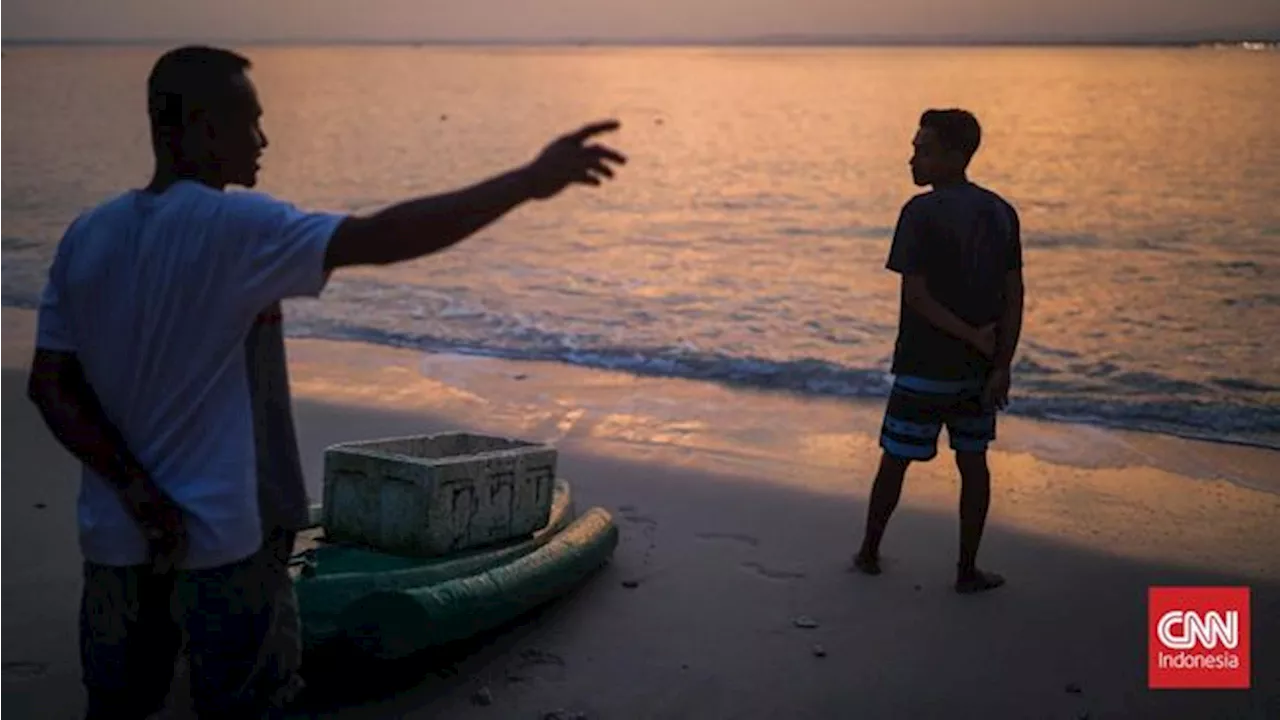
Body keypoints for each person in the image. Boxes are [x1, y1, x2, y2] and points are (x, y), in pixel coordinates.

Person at [25, 44, 625, 719]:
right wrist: (527, 181)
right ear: (195, 130)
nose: (263, 138)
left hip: (112, 539)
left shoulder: (88, 235)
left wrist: (136, 493)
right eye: (248, 121)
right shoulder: (235, 228)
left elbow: (51, 386)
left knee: (118, 704)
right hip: (224, 544)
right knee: (251, 701)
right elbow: (385, 235)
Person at [852, 108, 1024, 595]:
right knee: (973, 462)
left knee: (896, 459)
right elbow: (1015, 295)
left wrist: (974, 340)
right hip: (976, 373)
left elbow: (917, 297)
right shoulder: (1000, 211)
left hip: (923, 367)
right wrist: (1001, 362)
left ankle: (869, 552)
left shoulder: (919, 212)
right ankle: (966, 570)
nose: (913, 158)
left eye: (923, 150)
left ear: (955, 155)